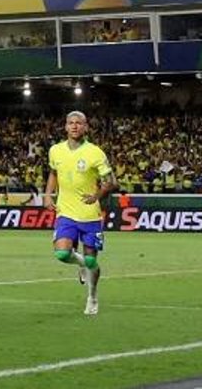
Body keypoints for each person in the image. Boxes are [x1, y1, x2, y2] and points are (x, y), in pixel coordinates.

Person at [46, 111, 117, 316]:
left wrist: (97, 195)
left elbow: (110, 181)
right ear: (66, 127)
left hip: (89, 214)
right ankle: (81, 264)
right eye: (71, 123)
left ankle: (92, 297)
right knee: (61, 253)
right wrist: (48, 195)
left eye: (79, 123)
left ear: (86, 127)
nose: (75, 126)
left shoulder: (95, 153)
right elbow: (53, 173)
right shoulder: (55, 150)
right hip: (65, 211)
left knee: (92, 261)